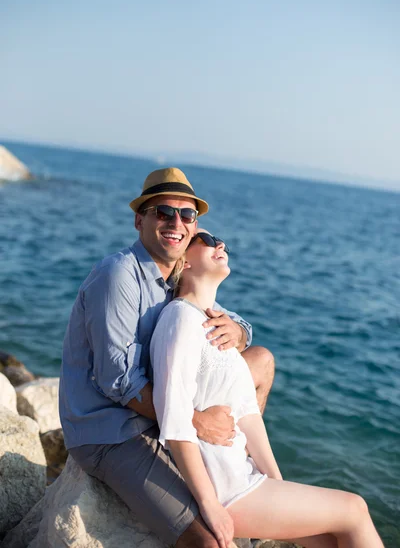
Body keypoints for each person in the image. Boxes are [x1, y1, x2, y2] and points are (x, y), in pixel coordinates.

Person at [59, 167, 275, 548]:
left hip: (160, 417)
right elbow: (118, 383)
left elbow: (218, 314)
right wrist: (197, 423)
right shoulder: (119, 275)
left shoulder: (177, 273)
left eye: (187, 214)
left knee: (259, 360)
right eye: (163, 212)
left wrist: (239, 330)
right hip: (113, 431)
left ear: (193, 226)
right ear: (140, 220)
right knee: (210, 541)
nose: (176, 222)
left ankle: (241, 474)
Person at [150, 230, 384, 548]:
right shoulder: (178, 318)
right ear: (185, 262)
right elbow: (175, 418)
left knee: (335, 538)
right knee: (354, 509)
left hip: (245, 477)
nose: (220, 245)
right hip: (224, 487)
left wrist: (276, 483)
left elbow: (247, 413)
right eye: (207, 241)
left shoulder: (216, 324)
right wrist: (209, 505)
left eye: (222, 242)